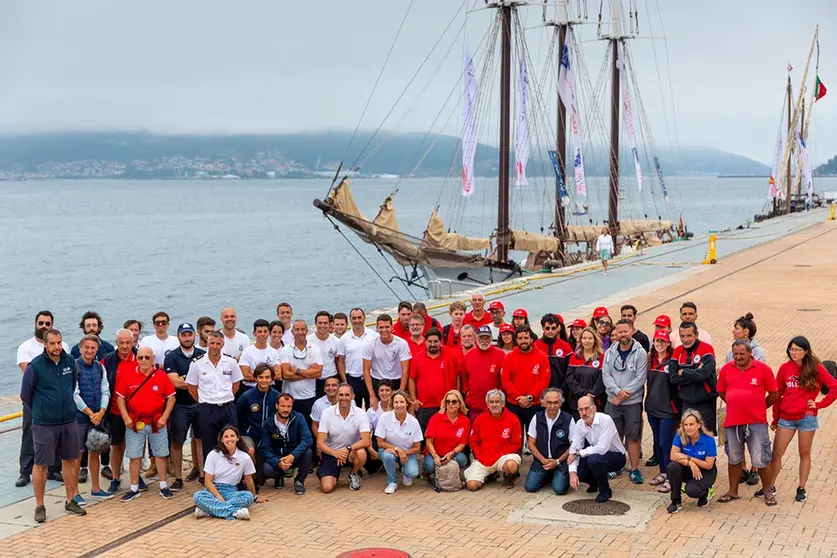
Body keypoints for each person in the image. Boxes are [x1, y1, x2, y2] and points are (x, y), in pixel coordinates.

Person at [20, 329, 86, 522]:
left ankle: (70, 500)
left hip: (68, 421)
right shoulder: (35, 367)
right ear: (44, 344)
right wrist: (42, 411)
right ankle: (40, 505)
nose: (57, 347)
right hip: (44, 424)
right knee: (41, 465)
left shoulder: (69, 362)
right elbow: (25, 395)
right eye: (52, 343)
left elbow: (72, 386)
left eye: (59, 343)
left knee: (70, 460)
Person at [767, 336, 837, 503]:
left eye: (798, 349)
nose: (794, 352)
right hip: (786, 418)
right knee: (776, 453)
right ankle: (770, 486)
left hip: (807, 417)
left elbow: (834, 386)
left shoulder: (816, 368)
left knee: (804, 453)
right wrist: (776, 418)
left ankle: (801, 488)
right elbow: (777, 394)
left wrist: (819, 404)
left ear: (805, 351)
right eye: (791, 349)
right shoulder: (785, 368)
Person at [716, 340, 778, 505]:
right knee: (734, 457)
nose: (738, 357)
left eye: (741, 354)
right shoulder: (726, 369)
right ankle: (733, 491)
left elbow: (774, 393)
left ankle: (767, 491)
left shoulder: (763, 369)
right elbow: (721, 391)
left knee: (761, 458)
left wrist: (761, 407)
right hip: (733, 422)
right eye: (735, 354)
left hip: (756, 422)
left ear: (750, 353)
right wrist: (733, 402)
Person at [16, 310, 70, 488]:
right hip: (34, 401)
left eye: (48, 323)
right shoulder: (26, 347)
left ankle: (54, 469)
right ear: (35, 324)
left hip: (57, 403)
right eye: (41, 323)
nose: (44, 326)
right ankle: (25, 471)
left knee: (56, 436)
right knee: (29, 434)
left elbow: (68, 373)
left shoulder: (64, 346)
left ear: (52, 325)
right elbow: (29, 373)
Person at [116, 346, 176, 502]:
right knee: (134, 456)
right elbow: (120, 398)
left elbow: (171, 398)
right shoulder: (128, 375)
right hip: (135, 423)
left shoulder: (161, 375)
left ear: (153, 359)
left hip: (157, 423)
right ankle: (134, 488)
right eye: (140, 357)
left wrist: (164, 417)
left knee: (161, 455)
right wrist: (126, 418)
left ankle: (163, 486)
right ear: (136, 359)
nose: (143, 360)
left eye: (147, 357)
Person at [602, 320, 648, 484]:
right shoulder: (610, 352)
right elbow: (606, 374)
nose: (623, 335)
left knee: (633, 436)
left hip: (632, 403)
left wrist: (622, 395)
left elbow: (640, 378)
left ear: (631, 332)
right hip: (613, 401)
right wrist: (616, 391)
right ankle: (616, 467)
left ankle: (634, 469)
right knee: (614, 436)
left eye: (625, 331)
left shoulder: (640, 353)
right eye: (619, 332)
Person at [186, 331, 243, 462]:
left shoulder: (231, 362)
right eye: (212, 343)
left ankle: (231, 471)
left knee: (231, 442)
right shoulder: (197, 363)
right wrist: (204, 401)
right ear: (207, 343)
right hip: (207, 409)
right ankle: (210, 473)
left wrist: (225, 397)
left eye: (218, 343)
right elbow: (192, 388)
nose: (215, 346)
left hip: (227, 407)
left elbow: (236, 384)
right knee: (208, 444)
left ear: (223, 344)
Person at [723, 312, 766, 486]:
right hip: (735, 408)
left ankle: (755, 470)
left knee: (756, 442)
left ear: (746, 331)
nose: (733, 331)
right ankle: (742, 469)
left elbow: (759, 377)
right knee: (736, 441)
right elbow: (725, 376)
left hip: (753, 409)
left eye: (736, 328)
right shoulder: (730, 351)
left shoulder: (759, 352)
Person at [164, 323, 206, 491]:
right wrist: (196, 381)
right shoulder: (171, 357)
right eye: (184, 335)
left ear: (194, 335)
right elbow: (174, 382)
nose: (187, 338)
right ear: (178, 336)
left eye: (190, 334)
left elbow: (208, 378)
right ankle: (178, 478)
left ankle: (203, 475)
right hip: (180, 405)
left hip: (200, 403)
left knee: (201, 440)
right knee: (177, 442)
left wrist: (185, 379)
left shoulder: (203, 355)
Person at [72, 334, 113, 502]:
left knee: (95, 452)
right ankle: (74, 493)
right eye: (86, 347)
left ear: (97, 350)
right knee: (77, 455)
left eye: (93, 348)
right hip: (80, 418)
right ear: (80, 349)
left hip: (98, 417)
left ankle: (96, 488)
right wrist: (90, 413)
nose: (89, 351)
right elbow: (74, 394)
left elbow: (105, 390)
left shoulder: (99, 367)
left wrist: (101, 411)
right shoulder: (74, 367)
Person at [194, 425, 264, 520]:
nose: (229, 439)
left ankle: (208, 511)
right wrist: (218, 497)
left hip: (231, 491)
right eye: (226, 437)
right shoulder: (213, 454)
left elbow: (249, 480)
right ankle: (235, 512)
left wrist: (253, 497)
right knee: (198, 496)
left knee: (248, 496)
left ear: (237, 438)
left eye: (232, 436)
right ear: (221, 439)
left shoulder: (245, 457)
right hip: (213, 490)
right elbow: (208, 481)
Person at [567, 396, 627, 503]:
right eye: (581, 410)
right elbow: (574, 449)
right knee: (579, 471)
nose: (584, 413)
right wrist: (572, 472)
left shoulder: (606, 420)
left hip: (616, 456)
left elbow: (602, 448)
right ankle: (594, 483)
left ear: (594, 408)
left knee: (594, 460)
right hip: (595, 454)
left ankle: (605, 490)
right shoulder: (580, 424)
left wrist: (579, 453)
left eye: (587, 408)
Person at [501, 326, 550, 451]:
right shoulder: (509, 357)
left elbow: (544, 381)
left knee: (535, 437)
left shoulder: (542, 357)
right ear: (516, 340)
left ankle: (537, 460)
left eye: (526, 338)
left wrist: (529, 398)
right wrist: (519, 398)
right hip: (514, 404)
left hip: (534, 404)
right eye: (520, 338)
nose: (523, 341)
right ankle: (514, 460)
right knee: (514, 437)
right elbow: (506, 380)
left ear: (531, 339)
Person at [316, 384, 371, 493]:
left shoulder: (360, 413)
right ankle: (329, 472)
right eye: (341, 395)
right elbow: (320, 443)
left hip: (351, 452)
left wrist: (348, 448)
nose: (343, 398)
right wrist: (335, 453)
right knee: (327, 488)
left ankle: (353, 473)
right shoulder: (327, 413)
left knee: (361, 453)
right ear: (337, 396)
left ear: (352, 396)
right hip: (332, 453)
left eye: (347, 395)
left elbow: (366, 440)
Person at [102, 328, 138, 493]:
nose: (124, 346)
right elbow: (102, 385)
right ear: (116, 343)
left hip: (136, 412)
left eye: (128, 343)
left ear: (133, 342)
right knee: (116, 445)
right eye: (121, 343)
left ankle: (136, 477)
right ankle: (115, 478)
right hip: (115, 412)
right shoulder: (108, 360)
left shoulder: (141, 357)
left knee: (136, 445)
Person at [464, 389, 522, 491]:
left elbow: (516, 443)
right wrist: (480, 456)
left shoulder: (513, 419)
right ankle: (489, 475)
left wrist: (498, 455)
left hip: (503, 456)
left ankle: (508, 477)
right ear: (487, 404)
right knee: (472, 485)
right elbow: (473, 442)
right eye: (491, 402)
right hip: (484, 458)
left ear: (503, 403)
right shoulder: (480, 419)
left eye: (497, 402)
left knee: (511, 465)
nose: (494, 405)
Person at [259, 393, 313, 495]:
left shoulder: (299, 418)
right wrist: (277, 462)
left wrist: (293, 455)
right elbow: (265, 448)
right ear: (277, 406)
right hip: (278, 456)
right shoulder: (268, 423)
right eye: (283, 406)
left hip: (294, 455)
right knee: (267, 469)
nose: (286, 409)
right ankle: (278, 477)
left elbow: (308, 439)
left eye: (289, 406)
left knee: (308, 452)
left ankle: (299, 480)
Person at [409, 327, 461, 433]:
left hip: (445, 405)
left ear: (440, 342)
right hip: (424, 405)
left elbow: (457, 377)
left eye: (435, 341)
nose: (432, 344)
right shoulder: (417, 358)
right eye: (430, 341)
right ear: (425, 342)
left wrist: (457, 397)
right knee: (425, 435)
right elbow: (412, 379)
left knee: (444, 434)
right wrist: (414, 400)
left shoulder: (450, 355)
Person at [669, 322, 718, 434]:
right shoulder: (677, 351)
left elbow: (704, 374)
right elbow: (673, 378)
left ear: (696, 334)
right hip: (686, 402)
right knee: (688, 437)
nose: (685, 339)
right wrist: (695, 372)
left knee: (705, 437)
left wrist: (683, 372)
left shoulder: (707, 349)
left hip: (705, 403)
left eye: (689, 335)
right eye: (682, 336)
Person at [666, 408, 718, 513]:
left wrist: (690, 458)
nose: (688, 428)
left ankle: (706, 492)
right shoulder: (680, 435)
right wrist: (690, 463)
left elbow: (708, 465)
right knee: (672, 467)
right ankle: (676, 501)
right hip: (688, 468)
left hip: (705, 471)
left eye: (691, 424)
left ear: (698, 425)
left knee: (691, 490)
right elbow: (673, 455)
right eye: (685, 425)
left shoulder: (709, 440)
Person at [525, 388, 575, 495]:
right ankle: (548, 475)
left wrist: (557, 461)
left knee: (559, 489)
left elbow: (573, 446)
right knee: (530, 487)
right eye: (549, 402)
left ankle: (557, 475)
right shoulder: (536, 418)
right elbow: (531, 443)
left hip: (561, 462)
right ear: (543, 403)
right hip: (541, 461)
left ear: (561, 403)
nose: (552, 406)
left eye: (555, 402)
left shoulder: (569, 419)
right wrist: (543, 460)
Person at [645, 329, 678, 492]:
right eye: (657, 341)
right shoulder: (650, 360)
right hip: (652, 408)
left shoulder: (672, 361)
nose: (659, 344)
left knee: (666, 443)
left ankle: (672, 477)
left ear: (668, 343)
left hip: (668, 409)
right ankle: (663, 472)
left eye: (663, 341)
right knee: (658, 443)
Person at [376, 390, 423, 494]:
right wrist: (398, 450)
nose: (399, 405)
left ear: (407, 403)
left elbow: (417, 448)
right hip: (389, 451)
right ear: (392, 404)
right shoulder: (384, 418)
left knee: (413, 473)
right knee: (388, 456)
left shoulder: (414, 422)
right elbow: (380, 442)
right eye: (396, 402)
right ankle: (392, 482)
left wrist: (403, 453)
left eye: (402, 402)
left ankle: (405, 472)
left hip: (408, 453)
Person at [280, 320, 323, 423]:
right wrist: (309, 372)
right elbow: (286, 375)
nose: (300, 332)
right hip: (290, 397)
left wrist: (297, 371)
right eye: (297, 330)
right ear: (292, 332)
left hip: (309, 396)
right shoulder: (286, 349)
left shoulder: (315, 349)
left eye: (303, 329)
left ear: (307, 331)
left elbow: (318, 373)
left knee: (308, 425)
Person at [423, 390, 470, 483]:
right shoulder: (436, 417)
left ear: (460, 404)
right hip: (435, 452)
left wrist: (451, 454)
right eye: (448, 401)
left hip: (452, 453)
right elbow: (428, 441)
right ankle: (427, 473)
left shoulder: (465, 421)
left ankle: (449, 473)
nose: (450, 404)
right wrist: (435, 456)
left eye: (454, 401)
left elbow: (462, 443)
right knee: (429, 466)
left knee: (463, 460)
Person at [236, 363, 280, 464]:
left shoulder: (277, 396)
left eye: (267, 377)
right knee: (249, 450)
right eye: (261, 377)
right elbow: (238, 417)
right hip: (250, 435)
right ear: (255, 378)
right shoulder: (246, 397)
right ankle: (252, 471)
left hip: (270, 434)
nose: (264, 380)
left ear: (272, 379)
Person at [462, 326, 505, 425]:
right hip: (474, 405)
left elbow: (504, 378)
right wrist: (467, 391)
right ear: (476, 338)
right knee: (476, 431)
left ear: (491, 338)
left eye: (487, 338)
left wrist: (500, 394)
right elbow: (464, 376)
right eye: (481, 338)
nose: (484, 341)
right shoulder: (469, 355)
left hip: (494, 405)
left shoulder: (501, 355)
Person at [363, 314, 411, 403]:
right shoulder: (370, 344)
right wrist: (372, 395)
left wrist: (401, 391)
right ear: (377, 328)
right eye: (381, 327)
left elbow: (405, 369)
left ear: (392, 327)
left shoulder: (402, 344)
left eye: (387, 327)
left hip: (396, 381)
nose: (384, 330)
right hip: (377, 381)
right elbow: (366, 370)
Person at [337, 307, 378, 408]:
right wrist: (345, 381)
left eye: (359, 317)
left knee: (372, 408)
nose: (357, 320)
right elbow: (341, 361)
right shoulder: (344, 338)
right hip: (352, 379)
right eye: (354, 318)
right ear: (350, 320)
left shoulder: (374, 336)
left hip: (371, 378)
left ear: (364, 318)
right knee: (354, 409)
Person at [565, 327, 605, 419]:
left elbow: (601, 379)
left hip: (595, 402)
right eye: (584, 338)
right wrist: (584, 393)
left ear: (594, 340)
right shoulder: (574, 356)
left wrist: (591, 394)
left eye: (590, 338)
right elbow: (570, 378)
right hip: (576, 402)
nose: (587, 341)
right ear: (580, 340)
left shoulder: (602, 357)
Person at [534, 314, 572, 396]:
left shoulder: (566, 346)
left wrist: (562, 390)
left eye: (553, 328)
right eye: (547, 328)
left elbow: (569, 372)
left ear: (558, 328)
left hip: (561, 391)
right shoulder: (535, 346)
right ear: (543, 328)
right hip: (540, 392)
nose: (550, 331)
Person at [239, 319, 280, 393]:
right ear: (254, 333)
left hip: (270, 388)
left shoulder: (274, 352)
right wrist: (268, 375)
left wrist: (253, 372)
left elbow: (278, 375)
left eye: (265, 331)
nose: (262, 334)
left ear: (269, 333)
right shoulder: (247, 352)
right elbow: (245, 375)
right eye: (259, 331)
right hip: (250, 388)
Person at [308, 311, 341, 397]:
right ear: (315, 323)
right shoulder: (308, 341)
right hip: (314, 380)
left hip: (332, 378)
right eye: (320, 323)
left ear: (330, 324)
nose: (322, 325)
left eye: (325, 323)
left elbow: (338, 361)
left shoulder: (336, 341)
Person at [365, 380, 394, 475]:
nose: (384, 393)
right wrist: (370, 449)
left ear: (392, 392)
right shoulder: (371, 411)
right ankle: (378, 464)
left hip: (395, 439)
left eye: (387, 390)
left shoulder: (397, 408)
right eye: (381, 390)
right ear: (378, 393)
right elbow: (366, 432)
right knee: (363, 446)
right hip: (378, 440)